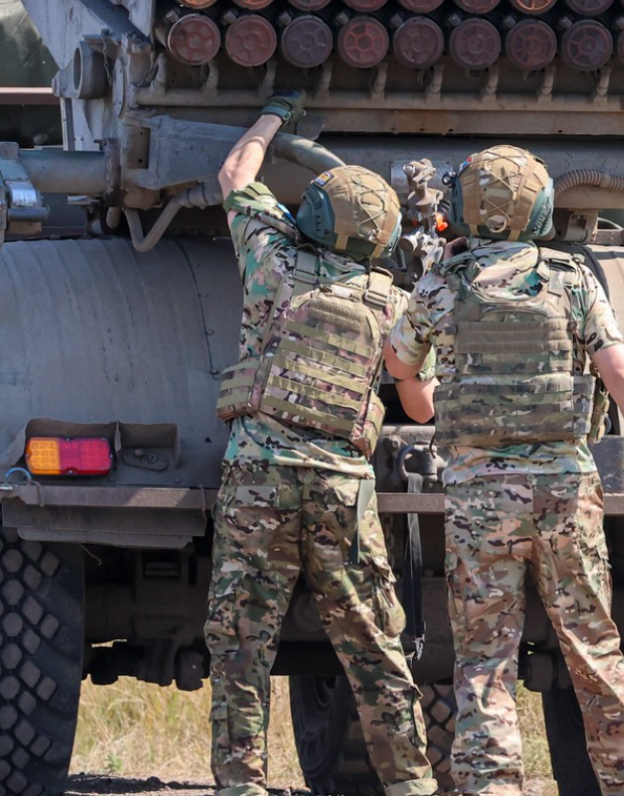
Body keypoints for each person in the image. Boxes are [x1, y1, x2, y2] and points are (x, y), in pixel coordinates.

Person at [383, 144, 624, 796]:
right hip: (565, 497)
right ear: (541, 207)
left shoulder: (443, 284)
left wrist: (427, 400)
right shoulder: (572, 280)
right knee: (594, 650)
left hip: (479, 503)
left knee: (484, 665)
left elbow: (401, 367)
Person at [205, 91, 437, 796]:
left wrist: (274, 115)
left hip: (257, 479)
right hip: (343, 485)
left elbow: (235, 177)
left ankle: (241, 785)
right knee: (374, 650)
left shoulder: (271, 261)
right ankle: (413, 787)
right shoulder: (394, 303)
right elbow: (421, 408)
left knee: (242, 646)